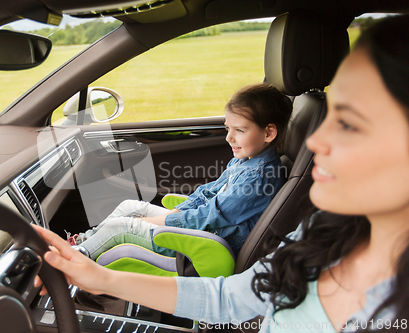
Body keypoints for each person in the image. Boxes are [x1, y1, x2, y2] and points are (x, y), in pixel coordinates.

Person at [35, 15, 409, 332]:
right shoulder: (320, 233)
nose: (318, 140)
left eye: (350, 123)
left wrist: (166, 219)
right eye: (329, 116)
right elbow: (230, 299)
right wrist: (99, 277)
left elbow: (216, 216)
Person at [71, 83, 292, 259]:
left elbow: (209, 217)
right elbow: (207, 193)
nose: (229, 138)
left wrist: (154, 223)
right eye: (228, 128)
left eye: (239, 130)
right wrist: (175, 213)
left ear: (268, 133)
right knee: (128, 206)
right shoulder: (246, 163)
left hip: (203, 242)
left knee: (119, 227)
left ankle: (74, 259)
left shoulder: (258, 177)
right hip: (199, 229)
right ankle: (83, 241)